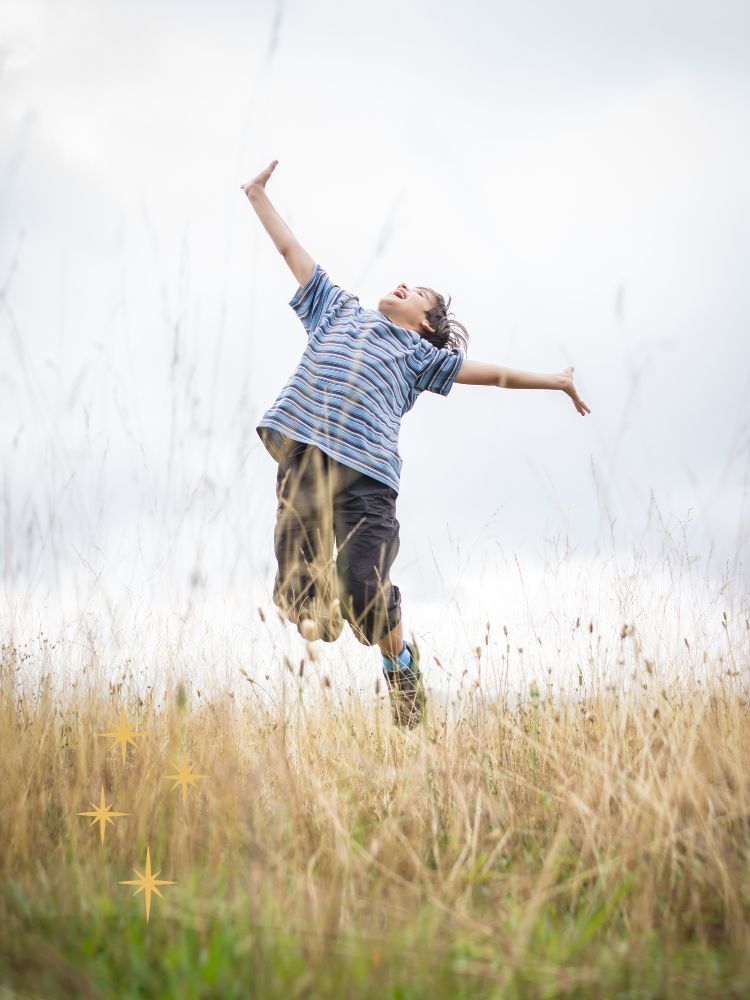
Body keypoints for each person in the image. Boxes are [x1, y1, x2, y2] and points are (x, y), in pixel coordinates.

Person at [240, 161, 591, 728]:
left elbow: (492, 374)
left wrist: (556, 381)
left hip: (367, 484)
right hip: (304, 462)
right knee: (300, 605)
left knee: (362, 590)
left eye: (417, 293)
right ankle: (321, 614)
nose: (402, 285)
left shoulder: (421, 357)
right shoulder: (337, 309)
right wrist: (257, 196)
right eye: (406, 281)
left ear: (425, 325)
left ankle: (401, 665)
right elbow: (291, 253)